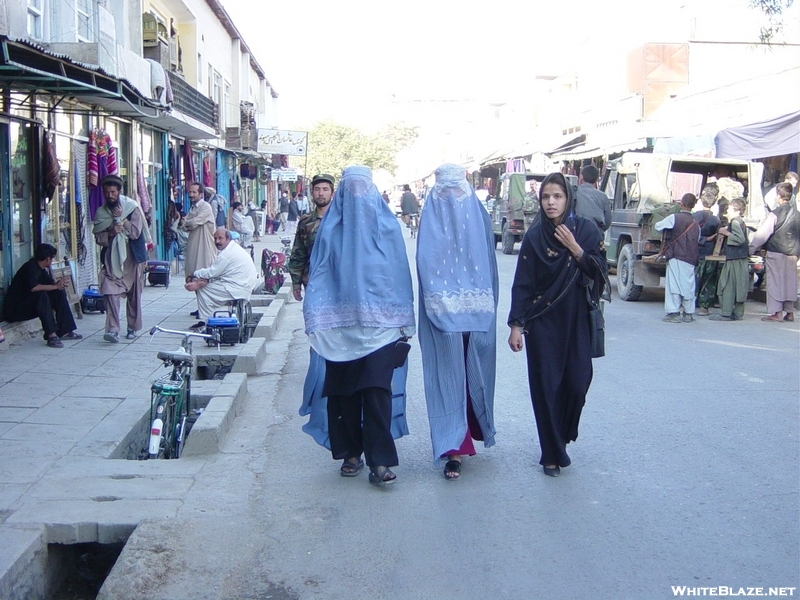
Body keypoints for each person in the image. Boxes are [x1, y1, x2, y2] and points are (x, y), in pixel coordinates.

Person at [303, 165, 416, 487]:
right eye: (349, 190)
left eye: (362, 189)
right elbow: (320, 274)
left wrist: (404, 318)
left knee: (378, 391)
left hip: (381, 326)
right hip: (340, 326)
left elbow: (399, 273)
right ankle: (351, 452)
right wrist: (314, 313)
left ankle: (380, 461)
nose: (356, 197)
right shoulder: (330, 230)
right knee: (343, 394)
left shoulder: (388, 228)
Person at [507, 172, 608, 477]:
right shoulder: (535, 238)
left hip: (577, 319)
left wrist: (576, 250)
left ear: (568, 199)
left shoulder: (586, 231)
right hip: (543, 324)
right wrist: (516, 324)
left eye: (557, 196)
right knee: (546, 388)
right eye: (546, 197)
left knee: (577, 384)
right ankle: (551, 453)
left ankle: (560, 435)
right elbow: (523, 284)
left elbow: (600, 274)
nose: (551, 203)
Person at [416, 164, 499, 480]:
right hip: (440, 312)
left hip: (476, 313)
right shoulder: (430, 219)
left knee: (473, 374)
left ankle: (475, 425)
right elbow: (424, 264)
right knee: (448, 378)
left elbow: (490, 269)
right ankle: (454, 449)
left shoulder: (479, 218)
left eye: (457, 192)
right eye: (445, 192)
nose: (451, 199)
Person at [92, 175, 147, 342]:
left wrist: (122, 220)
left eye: (113, 192)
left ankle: (133, 327)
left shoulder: (132, 208)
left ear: (119, 192)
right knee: (110, 292)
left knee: (134, 295)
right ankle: (113, 329)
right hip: (112, 259)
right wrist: (111, 232)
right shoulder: (101, 212)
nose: (110, 195)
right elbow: (98, 238)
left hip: (132, 258)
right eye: (107, 192)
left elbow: (136, 233)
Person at [3, 243, 82, 348]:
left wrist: (59, 284)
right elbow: (33, 287)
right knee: (40, 296)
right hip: (15, 311)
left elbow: (51, 285)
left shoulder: (41, 269)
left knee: (58, 292)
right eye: (52, 259)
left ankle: (65, 331)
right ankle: (51, 335)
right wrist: (54, 287)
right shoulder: (30, 267)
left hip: (29, 306)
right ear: (47, 259)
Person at [184, 228, 257, 327]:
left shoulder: (226, 254)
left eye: (220, 238)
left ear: (228, 239)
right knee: (205, 283)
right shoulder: (233, 248)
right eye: (215, 238)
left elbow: (212, 272)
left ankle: (205, 322)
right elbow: (217, 272)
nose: (217, 241)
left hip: (238, 289)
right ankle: (207, 319)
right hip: (241, 285)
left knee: (202, 289)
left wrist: (194, 274)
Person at [749, 182, 800, 322]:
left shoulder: (775, 214)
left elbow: (762, 235)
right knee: (790, 282)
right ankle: (789, 312)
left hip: (776, 251)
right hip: (793, 253)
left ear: (778, 195)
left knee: (776, 282)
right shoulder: (797, 214)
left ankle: (776, 312)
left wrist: (751, 248)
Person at [654, 193, 701, 323]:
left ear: (681, 204)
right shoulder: (696, 223)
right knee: (689, 285)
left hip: (676, 256)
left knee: (674, 285)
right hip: (691, 258)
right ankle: (688, 313)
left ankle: (673, 313)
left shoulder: (674, 218)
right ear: (693, 206)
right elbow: (697, 239)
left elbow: (658, 226)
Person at [288, 173, 335, 302]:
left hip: (338, 283)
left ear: (332, 193)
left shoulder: (341, 221)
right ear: (312, 192)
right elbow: (298, 253)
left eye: (325, 189)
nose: (321, 193)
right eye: (317, 189)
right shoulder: (306, 221)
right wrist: (296, 283)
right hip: (312, 281)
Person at [710, 198, 750, 322]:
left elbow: (739, 239)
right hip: (740, 258)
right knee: (740, 286)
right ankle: (737, 313)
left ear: (736, 210)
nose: (727, 212)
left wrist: (726, 233)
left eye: (729, 209)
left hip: (734, 259)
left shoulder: (735, 222)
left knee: (726, 285)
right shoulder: (740, 221)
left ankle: (725, 312)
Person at [181, 182, 217, 318]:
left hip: (205, 247)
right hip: (193, 245)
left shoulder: (205, 207)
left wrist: (188, 222)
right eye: (190, 192)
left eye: (194, 192)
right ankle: (200, 307)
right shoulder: (193, 208)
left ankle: (205, 309)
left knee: (203, 277)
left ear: (201, 194)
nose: (191, 195)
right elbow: (184, 226)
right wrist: (187, 222)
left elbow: (192, 222)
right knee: (194, 275)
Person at [693, 184, 722, 316]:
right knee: (708, 279)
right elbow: (718, 237)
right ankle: (704, 307)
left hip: (694, 252)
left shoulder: (694, 216)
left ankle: (689, 303)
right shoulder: (716, 220)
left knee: (693, 278)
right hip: (710, 253)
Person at [575, 165, 612, 233]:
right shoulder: (603, 196)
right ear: (596, 180)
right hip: (596, 234)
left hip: (575, 235)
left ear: (581, 178)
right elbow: (607, 222)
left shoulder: (574, 192)